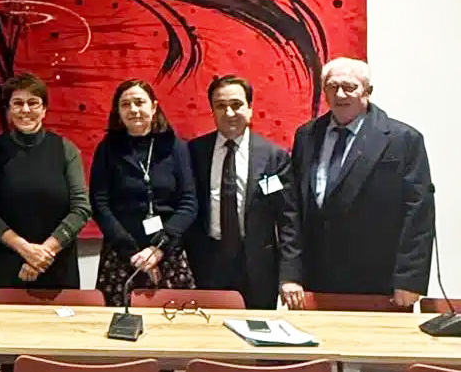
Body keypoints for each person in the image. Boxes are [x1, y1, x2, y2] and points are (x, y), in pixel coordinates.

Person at [282, 57, 434, 310]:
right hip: (315, 278)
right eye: (332, 87)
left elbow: (419, 213)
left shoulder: (403, 139)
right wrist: (290, 273)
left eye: (349, 87)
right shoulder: (307, 135)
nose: (340, 94)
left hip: (378, 280)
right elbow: (294, 208)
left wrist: (410, 279)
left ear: (368, 91)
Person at [186, 74, 298, 309]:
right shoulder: (194, 152)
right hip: (207, 264)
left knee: (257, 328)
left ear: (250, 108)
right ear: (212, 110)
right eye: (220, 106)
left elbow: (288, 219)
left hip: (258, 267)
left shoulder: (273, 157)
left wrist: (290, 274)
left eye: (236, 105)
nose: (229, 113)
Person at [90, 79, 198, 306]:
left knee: (173, 323)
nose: (133, 109)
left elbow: (189, 202)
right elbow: (100, 204)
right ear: (118, 112)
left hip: (168, 253)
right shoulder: (108, 149)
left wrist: (158, 249)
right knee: (119, 322)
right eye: (125, 104)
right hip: (121, 255)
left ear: (154, 107)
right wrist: (131, 251)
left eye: (139, 102)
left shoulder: (176, 147)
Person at [0, 73, 91, 300]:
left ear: (44, 110)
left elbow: (81, 209)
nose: (25, 110)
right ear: (8, 110)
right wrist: (25, 249)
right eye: (17, 103)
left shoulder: (66, 150)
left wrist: (43, 253)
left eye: (33, 103)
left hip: (58, 265)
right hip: (8, 267)